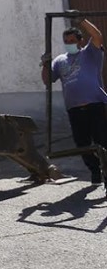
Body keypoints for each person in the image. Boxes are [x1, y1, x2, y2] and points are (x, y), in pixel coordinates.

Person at [41, 14, 107, 184]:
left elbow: (98, 35)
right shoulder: (60, 61)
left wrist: (81, 20)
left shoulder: (90, 53)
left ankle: (106, 171)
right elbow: (47, 81)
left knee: (102, 141)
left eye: (72, 40)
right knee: (82, 144)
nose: (69, 44)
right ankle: (94, 171)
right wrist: (45, 64)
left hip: (95, 105)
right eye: (66, 41)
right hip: (75, 109)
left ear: (80, 41)